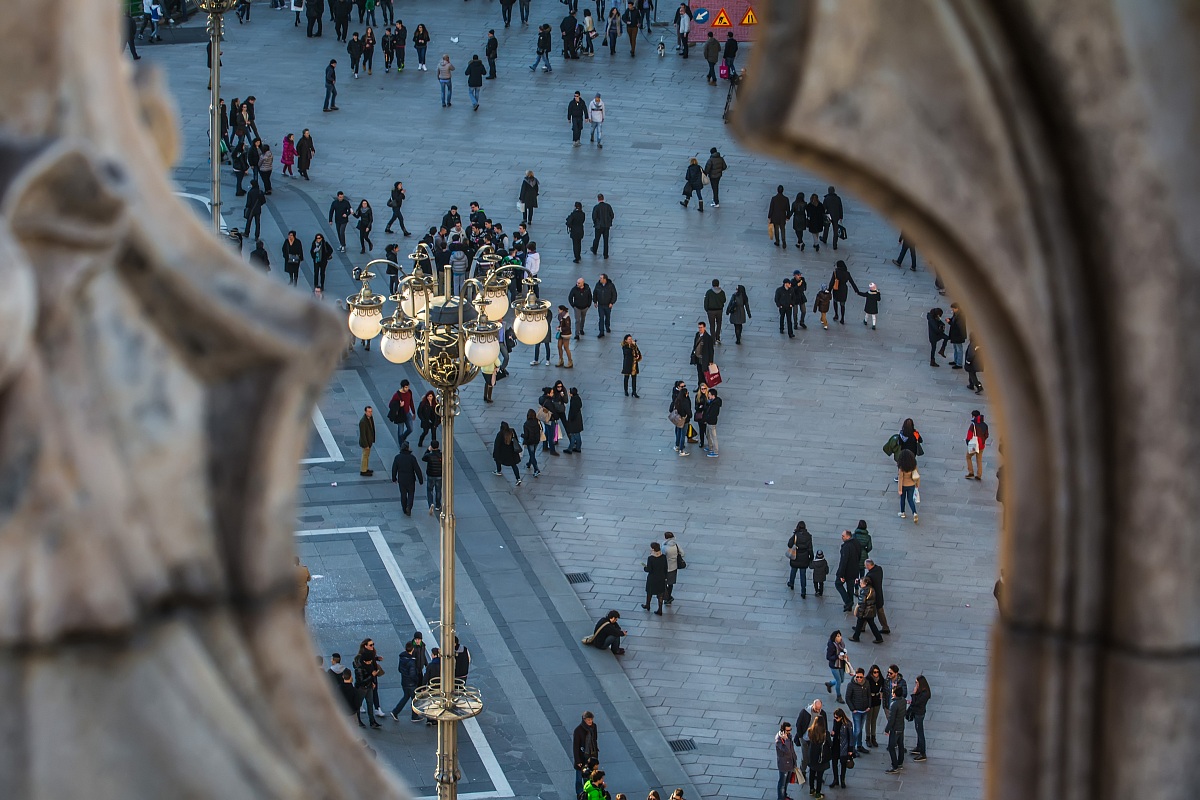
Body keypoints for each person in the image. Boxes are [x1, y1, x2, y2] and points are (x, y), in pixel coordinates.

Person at [793, 699, 827, 782]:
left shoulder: (822, 713)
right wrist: (800, 736)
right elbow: (798, 724)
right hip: (805, 738)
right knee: (805, 757)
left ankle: (814, 773)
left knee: (815, 757)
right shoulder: (805, 712)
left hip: (816, 739)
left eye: (819, 708)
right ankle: (802, 773)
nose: (818, 710)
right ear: (813, 705)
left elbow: (824, 725)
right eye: (816, 708)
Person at [352, 639, 383, 728]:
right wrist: (371, 676)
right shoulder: (360, 669)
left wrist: (372, 682)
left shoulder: (368, 662)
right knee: (358, 704)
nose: (370, 663)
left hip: (369, 686)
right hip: (362, 688)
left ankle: (372, 721)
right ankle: (358, 720)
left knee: (370, 703)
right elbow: (361, 681)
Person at [390, 442, 423, 516]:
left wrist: (394, 478)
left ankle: (404, 508)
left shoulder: (397, 457)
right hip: (411, 479)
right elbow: (417, 469)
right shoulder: (412, 458)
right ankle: (409, 507)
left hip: (401, 479)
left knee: (403, 494)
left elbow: (394, 469)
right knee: (411, 494)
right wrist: (420, 479)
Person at [572, 712, 600, 797]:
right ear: (584, 720)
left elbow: (594, 739)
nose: (590, 721)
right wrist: (577, 760)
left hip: (592, 756)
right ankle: (580, 794)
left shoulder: (594, 727)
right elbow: (575, 747)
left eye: (591, 719)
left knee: (589, 777)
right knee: (579, 778)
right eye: (588, 720)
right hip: (582, 757)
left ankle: (587, 793)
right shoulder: (578, 730)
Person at [850, 575, 884, 643]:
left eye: (861, 583)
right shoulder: (871, 589)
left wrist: (859, 612)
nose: (860, 584)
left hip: (865, 611)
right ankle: (878, 637)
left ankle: (856, 637)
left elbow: (862, 603)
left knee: (860, 623)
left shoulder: (864, 591)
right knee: (870, 624)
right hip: (870, 610)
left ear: (865, 583)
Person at [844, 668, 871, 753]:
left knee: (860, 729)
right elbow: (847, 698)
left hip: (865, 709)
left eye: (861, 677)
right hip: (857, 711)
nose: (859, 679)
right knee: (857, 730)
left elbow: (869, 695)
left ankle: (859, 745)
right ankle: (852, 747)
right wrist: (853, 709)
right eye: (857, 677)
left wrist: (869, 706)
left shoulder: (866, 683)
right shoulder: (851, 685)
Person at [835, 530, 862, 612]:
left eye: (843, 536)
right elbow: (860, 555)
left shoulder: (846, 547)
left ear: (848, 536)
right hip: (855, 570)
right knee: (850, 588)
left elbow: (843, 562)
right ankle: (849, 605)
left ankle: (848, 601)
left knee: (838, 584)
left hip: (847, 571)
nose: (842, 537)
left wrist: (840, 575)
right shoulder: (856, 543)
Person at [806, 715, 830, 800]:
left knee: (812, 773)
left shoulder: (810, 731)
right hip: (821, 757)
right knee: (819, 776)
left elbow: (808, 741)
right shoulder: (825, 733)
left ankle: (811, 789)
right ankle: (818, 793)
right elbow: (829, 744)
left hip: (812, 756)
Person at [863, 559, 891, 634]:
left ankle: (862, 627)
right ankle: (885, 627)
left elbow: (866, 585)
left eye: (866, 566)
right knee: (880, 611)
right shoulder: (879, 569)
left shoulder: (870, 576)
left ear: (869, 565)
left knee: (866, 611)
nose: (865, 567)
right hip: (879, 595)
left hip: (873, 597)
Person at [786, 521, 814, 595]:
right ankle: (803, 591)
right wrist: (811, 558)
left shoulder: (796, 535)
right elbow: (810, 549)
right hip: (804, 558)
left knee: (793, 571)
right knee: (803, 575)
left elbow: (789, 544)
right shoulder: (808, 536)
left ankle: (791, 583)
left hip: (795, 556)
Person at [884, 685, 907, 773]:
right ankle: (900, 763)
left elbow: (891, 719)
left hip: (895, 728)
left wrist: (887, 729)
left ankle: (895, 766)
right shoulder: (903, 701)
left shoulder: (894, 704)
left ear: (894, 694)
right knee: (901, 745)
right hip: (901, 726)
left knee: (891, 747)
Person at [908, 675, 931, 761]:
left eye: (917, 683)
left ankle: (923, 753)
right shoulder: (922, 691)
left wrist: (913, 694)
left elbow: (916, 703)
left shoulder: (925, 693)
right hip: (917, 712)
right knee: (918, 730)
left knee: (920, 732)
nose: (916, 684)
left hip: (919, 713)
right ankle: (918, 747)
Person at [642, 541, 668, 614]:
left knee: (649, 592)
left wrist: (645, 568)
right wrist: (665, 577)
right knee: (660, 594)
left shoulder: (651, 558)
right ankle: (660, 609)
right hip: (661, 578)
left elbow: (649, 569)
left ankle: (648, 605)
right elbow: (665, 568)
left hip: (652, 578)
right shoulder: (663, 557)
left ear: (653, 549)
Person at [824, 630, 849, 702]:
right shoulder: (831, 646)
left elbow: (843, 650)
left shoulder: (841, 643)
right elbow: (828, 657)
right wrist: (837, 657)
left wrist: (844, 654)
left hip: (841, 664)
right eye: (838, 636)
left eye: (840, 635)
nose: (840, 637)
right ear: (834, 637)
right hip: (834, 665)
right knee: (838, 681)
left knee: (842, 680)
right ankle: (839, 696)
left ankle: (830, 683)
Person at [775, 721, 798, 800]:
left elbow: (791, 749)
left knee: (786, 782)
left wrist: (795, 759)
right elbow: (786, 750)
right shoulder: (779, 740)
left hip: (790, 763)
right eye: (787, 730)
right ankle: (781, 798)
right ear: (783, 731)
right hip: (784, 765)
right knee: (782, 783)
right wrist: (786, 740)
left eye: (790, 730)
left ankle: (784, 796)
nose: (789, 732)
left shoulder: (789, 736)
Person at [897, 449, 920, 522]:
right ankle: (914, 512)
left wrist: (900, 489)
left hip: (904, 485)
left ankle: (902, 512)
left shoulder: (901, 467)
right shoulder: (913, 465)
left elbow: (900, 479)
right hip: (912, 484)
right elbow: (917, 475)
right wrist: (917, 484)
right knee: (910, 500)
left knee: (902, 499)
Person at [865, 665, 885, 747]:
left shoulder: (880, 679)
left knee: (874, 720)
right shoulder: (868, 679)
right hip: (870, 700)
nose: (876, 674)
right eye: (874, 672)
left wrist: (881, 692)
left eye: (877, 672)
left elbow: (884, 685)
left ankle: (873, 737)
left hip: (877, 699)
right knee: (868, 720)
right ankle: (868, 737)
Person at [965, 409, 988, 480]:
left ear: (974, 416)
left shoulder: (973, 425)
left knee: (968, 457)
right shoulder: (985, 425)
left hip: (974, 445)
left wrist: (968, 443)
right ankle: (979, 475)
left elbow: (969, 436)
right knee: (979, 460)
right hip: (981, 445)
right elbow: (986, 435)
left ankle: (971, 472)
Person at [690, 321, 714, 387]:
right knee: (699, 373)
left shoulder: (708, 338)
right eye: (699, 327)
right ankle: (700, 386)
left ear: (704, 328)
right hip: (697, 358)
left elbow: (711, 350)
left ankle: (704, 386)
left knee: (704, 373)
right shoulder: (697, 334)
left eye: (701, 327)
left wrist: (711, 361)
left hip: (704, 359)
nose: (700, 329)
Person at [422, 440, 443, 514]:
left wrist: (428, 450)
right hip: (439, 475)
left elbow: (423, 458)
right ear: (438, 446)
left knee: (429, 490)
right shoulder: (441, 455)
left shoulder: (429, 456)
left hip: (431, 475)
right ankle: (438, 505)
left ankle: (431, 503)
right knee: (438, 490)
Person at [521, 409, 542, 477]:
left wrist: (522, 435)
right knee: (532, 453)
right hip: (536, 440)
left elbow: (526, 435)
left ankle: (536, 469)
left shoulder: (526, 424)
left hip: (530, 441)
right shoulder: (537, 422)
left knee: (532, 455)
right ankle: (529, 463)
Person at [671, 384, 691, 455]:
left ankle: (677, 446)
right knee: (683, 434)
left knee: (678, 432)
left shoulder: (678, 400)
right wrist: (689, 416)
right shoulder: (685, 402)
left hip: (678, 419)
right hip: (684, 419)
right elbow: (688, 411)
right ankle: (681, 450)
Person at [946, 302, 967, 367]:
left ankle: (959, 363)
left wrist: (949, 322)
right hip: (955, 334)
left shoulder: (961, 315)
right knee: (955, 348)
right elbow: (953, 320)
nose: (952, 310)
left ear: (957, 308)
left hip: (958, 335)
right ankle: (956, 360)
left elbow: (957, 325)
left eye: (953, 309)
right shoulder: (956, 314)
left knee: (959, 349)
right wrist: (950, 320)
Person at [564, 387, 584, 453]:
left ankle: (570, 448)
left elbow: (573, 412)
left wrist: (570, 420)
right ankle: (578, 447)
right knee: (577, 434)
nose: (568, 393)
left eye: (569, 392)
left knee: (573, 435)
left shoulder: (574, 401)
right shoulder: (577, 398)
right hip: (578, 420)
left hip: (574, 421)